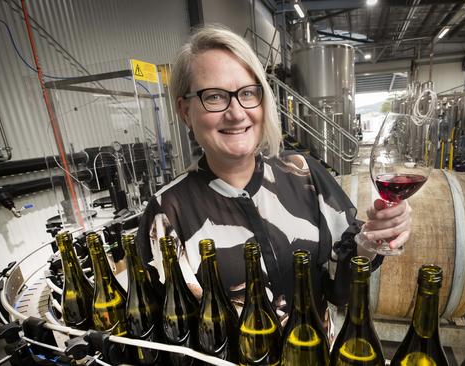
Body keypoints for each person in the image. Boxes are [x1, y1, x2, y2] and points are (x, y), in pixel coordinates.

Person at [136, 24, 412, 324]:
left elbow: (339, 291)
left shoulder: (304, 174)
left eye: (247, 93)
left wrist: (371, 240)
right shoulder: (167, 214)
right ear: (185, 110)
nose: (237, 112)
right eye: (214, 96)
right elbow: (166, 332)